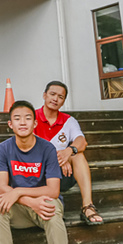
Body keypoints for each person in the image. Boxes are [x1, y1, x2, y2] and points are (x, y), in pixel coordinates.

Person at [0, 100, 82, 244]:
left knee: (52, 207)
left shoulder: (47, 148)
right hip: (23, 209)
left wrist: (18, 192)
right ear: (10, 124)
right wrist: (29, 201)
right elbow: (1, 188)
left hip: (45, 206)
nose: (23, 122)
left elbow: (54, 190)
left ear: (35, 124)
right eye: (17, 118)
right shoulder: (3, 149)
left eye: (28, 118)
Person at [34, 81, 103, 225]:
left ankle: (87, 206)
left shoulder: (68, 121)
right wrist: (59, 156)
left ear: (63, 101)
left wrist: (69, 151)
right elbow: (27, 147)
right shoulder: (32, 117)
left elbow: (81, 141)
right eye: (52, 94)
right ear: (44, 95)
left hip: (62, 175)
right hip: (37, 174)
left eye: (60, 97)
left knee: (77, 154)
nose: (55, 99)